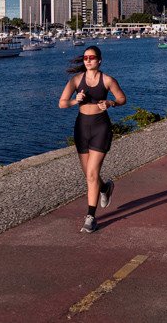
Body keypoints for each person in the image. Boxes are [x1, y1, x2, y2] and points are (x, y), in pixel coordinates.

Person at [58, 45, 126, 233]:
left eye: (92, 58)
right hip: (81, 128)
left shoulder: (107, 80)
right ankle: (105, 188)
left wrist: (110, 102)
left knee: (91, 174)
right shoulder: (76, 80)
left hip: (100, 127)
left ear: (99, 60)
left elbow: (122, 99)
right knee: (89, 174)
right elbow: (62, 103)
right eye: (85, 58)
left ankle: (90, 218)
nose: (88, 60)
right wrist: (75, 101)